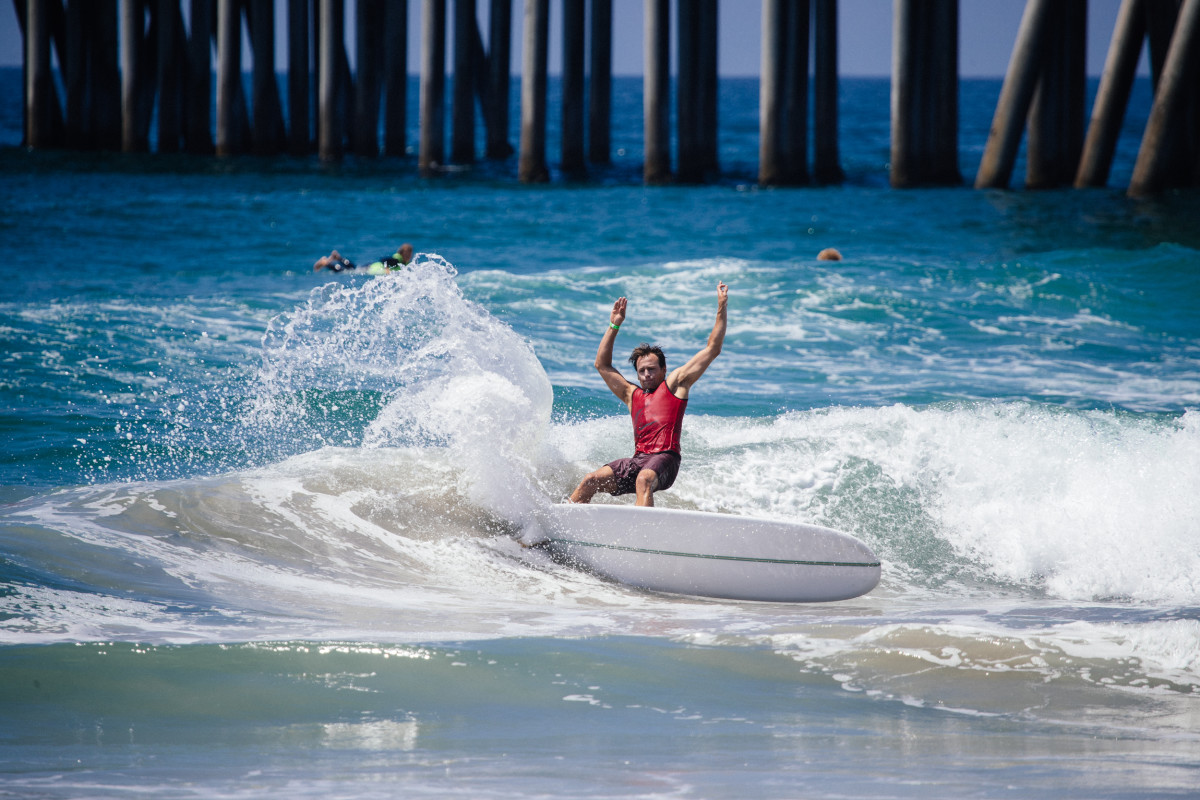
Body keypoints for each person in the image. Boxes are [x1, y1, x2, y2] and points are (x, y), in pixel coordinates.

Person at [570, 281, 729, 507]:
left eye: (652, 370)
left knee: (644, 479)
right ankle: (557, 532)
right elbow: (602, 365)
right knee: (590, 480)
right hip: (639, 461)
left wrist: (721, 306)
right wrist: (613, 326)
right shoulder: (631, 395)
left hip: (666, 460)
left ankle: (642, 536)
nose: (646, 374)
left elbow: (713, 349)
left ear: (663, 370)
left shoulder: (676, 385)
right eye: (641, 371)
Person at [313, 243, 414, 273]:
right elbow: (384, 260)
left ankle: (338, 258)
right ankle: (326, 263)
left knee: (353, 268)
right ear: (401, 253)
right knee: (347, 271)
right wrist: (387, 269)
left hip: (372, 266)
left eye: (410, 254)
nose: (408, 256)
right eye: (406, 254)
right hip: (371, 267)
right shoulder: (397, 260)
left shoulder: (403, 262)